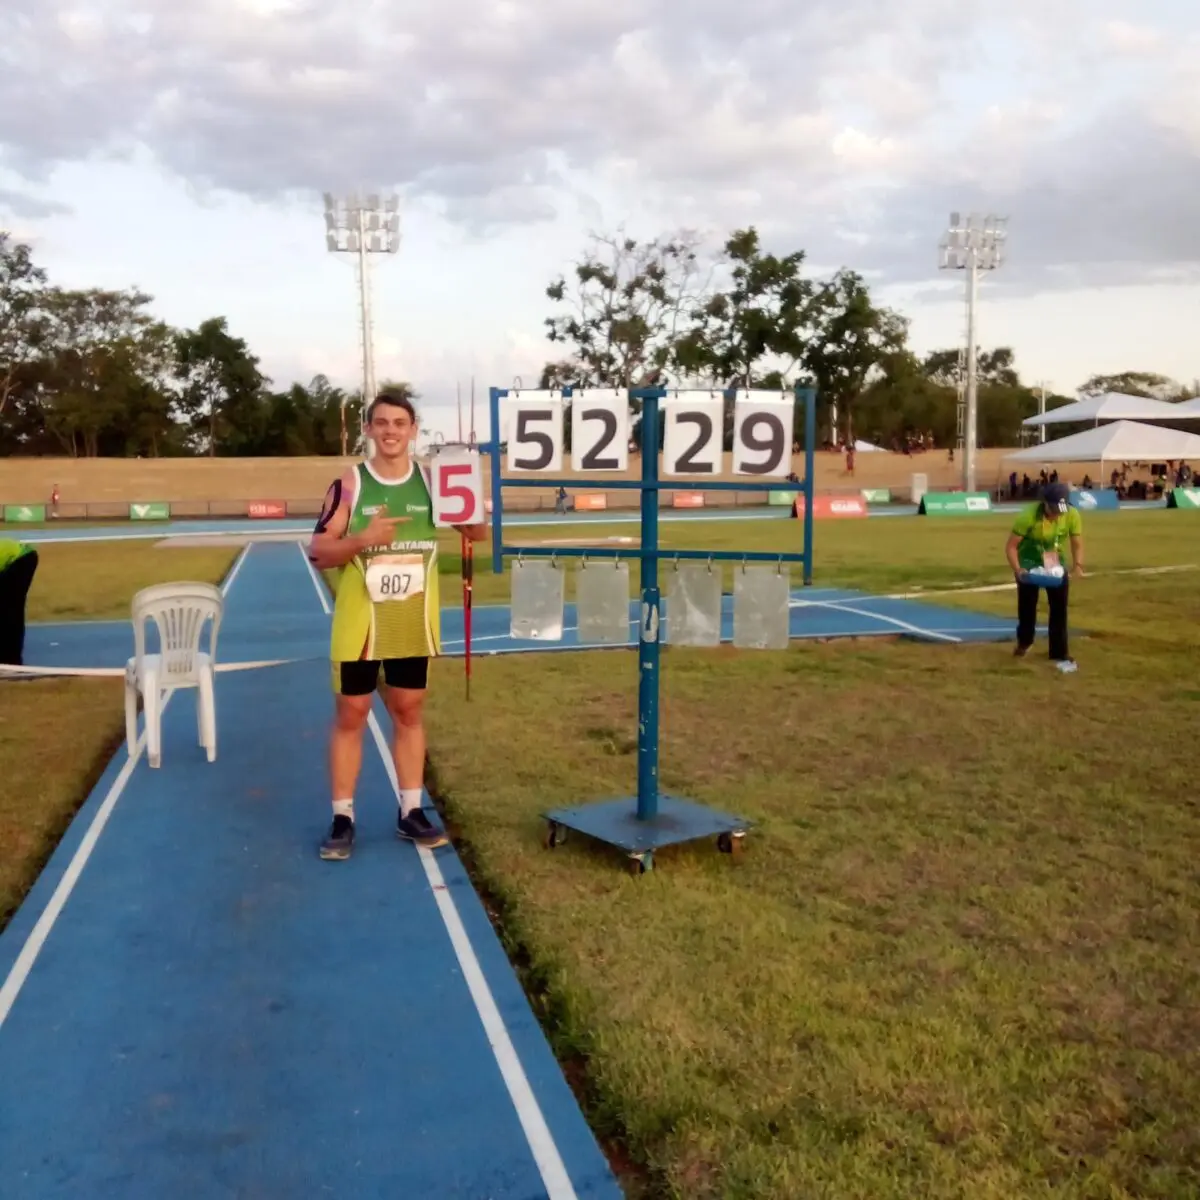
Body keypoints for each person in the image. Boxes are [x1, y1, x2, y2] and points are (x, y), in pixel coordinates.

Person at [307, 390, 487, 860]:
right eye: (381, 422)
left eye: (399, 423)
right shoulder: (350, 485)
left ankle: (411, 810)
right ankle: (343, 817)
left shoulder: (433, 482)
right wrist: (364, 538)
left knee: (409, 711)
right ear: (368, 429)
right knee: (352, 714)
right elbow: (319, 553)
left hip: (410, 620)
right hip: (361, 622)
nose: (390, 431)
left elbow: (477, 533)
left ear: (413, 430)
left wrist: (476, 500)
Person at [1005, 481, 1084, 666]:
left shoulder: (1072, 515)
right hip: (1028, 563)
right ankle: (1024, 642)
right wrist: (1018, 569)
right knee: (1027, 608)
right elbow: (1011, 547)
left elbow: (1077, 543)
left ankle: (1059, 652)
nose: (1057, 514)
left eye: (1061, 509)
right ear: (1045, 503)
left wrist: (1078, 565)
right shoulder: (1028, 516)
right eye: (1054, 508)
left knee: (1059, 608)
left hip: (1054, 562)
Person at [0, 537, 39, 667]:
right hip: (16, 559)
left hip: (22, 559)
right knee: (9, 610)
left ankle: (11, 659)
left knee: (10, 610)